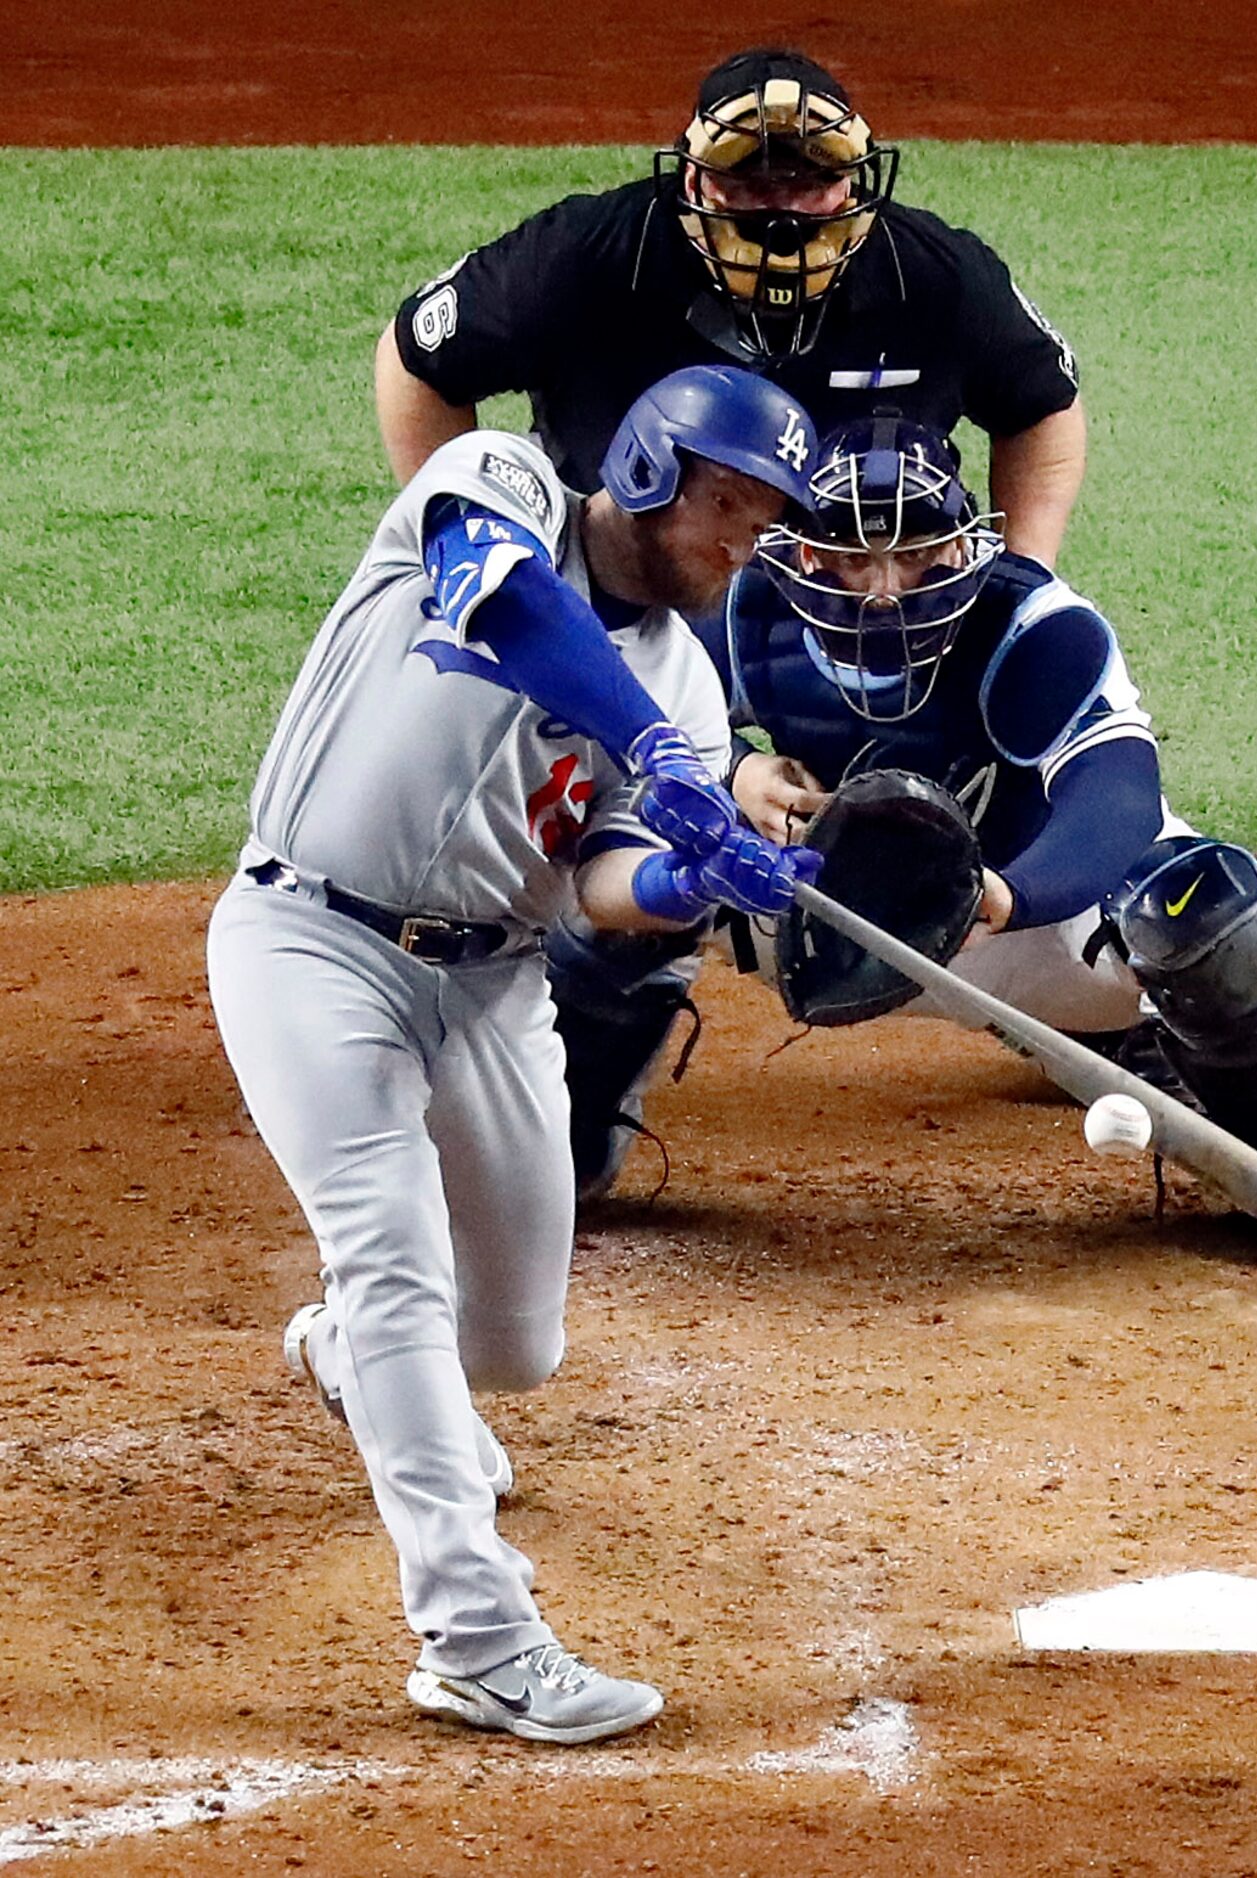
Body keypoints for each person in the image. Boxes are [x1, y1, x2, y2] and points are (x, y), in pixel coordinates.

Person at [205, 365, 826, 1745]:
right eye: (734, 508)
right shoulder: (495, 487)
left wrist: (685, 881)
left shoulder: (686, 678)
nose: (747, 547)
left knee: (514, 1347)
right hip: (312, 939)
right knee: (393, 1257)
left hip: (491, 987)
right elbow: (505, 599)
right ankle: (476, 1640)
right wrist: (653, 744)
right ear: (656, 472)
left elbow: (603, 873)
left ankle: (351, 1355)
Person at [562, 415, 1257, 1253]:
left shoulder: (1034, 625)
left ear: (965, 545)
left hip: (1014, 927)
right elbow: (620, 729)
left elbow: (1116, 797)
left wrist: (1010, 895)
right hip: (815, 912)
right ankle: (568, 1131)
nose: (885, 586)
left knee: (1203, 908)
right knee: (613, 845)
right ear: (806, 555)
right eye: (853, 556)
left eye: (916, 552)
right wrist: (734, 771)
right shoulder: (741, 616)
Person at [376, 46, 1086, 571]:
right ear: (695, 180)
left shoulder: (935, 274)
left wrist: (1027, 572)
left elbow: (1043, 402)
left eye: (810, 179)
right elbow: (417, 358)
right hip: (626, 598)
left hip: (872, 600)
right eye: (751, 181)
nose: (783, 210)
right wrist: (462, 536)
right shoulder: (586, 255)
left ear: (850, 183)